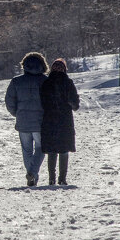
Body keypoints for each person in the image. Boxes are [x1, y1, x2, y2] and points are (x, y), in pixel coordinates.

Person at [5, 52, 49, 187]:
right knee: (41, 148)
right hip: (40, 121)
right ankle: (32, 172)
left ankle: (31, 175)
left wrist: (17, 113)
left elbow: (9, 101)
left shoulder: (16, 81)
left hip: (23, 120)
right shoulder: (45, 81)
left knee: (26, 150)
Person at [40, 58, 79, 186]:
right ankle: (62, 179)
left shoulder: (46, 83)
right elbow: (75, 105)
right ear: (65, 69)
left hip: (49, 120)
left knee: (51, 150)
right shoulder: (68, 83)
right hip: (64, 121)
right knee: (64, 150)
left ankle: (51, 178)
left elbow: (42, 102)